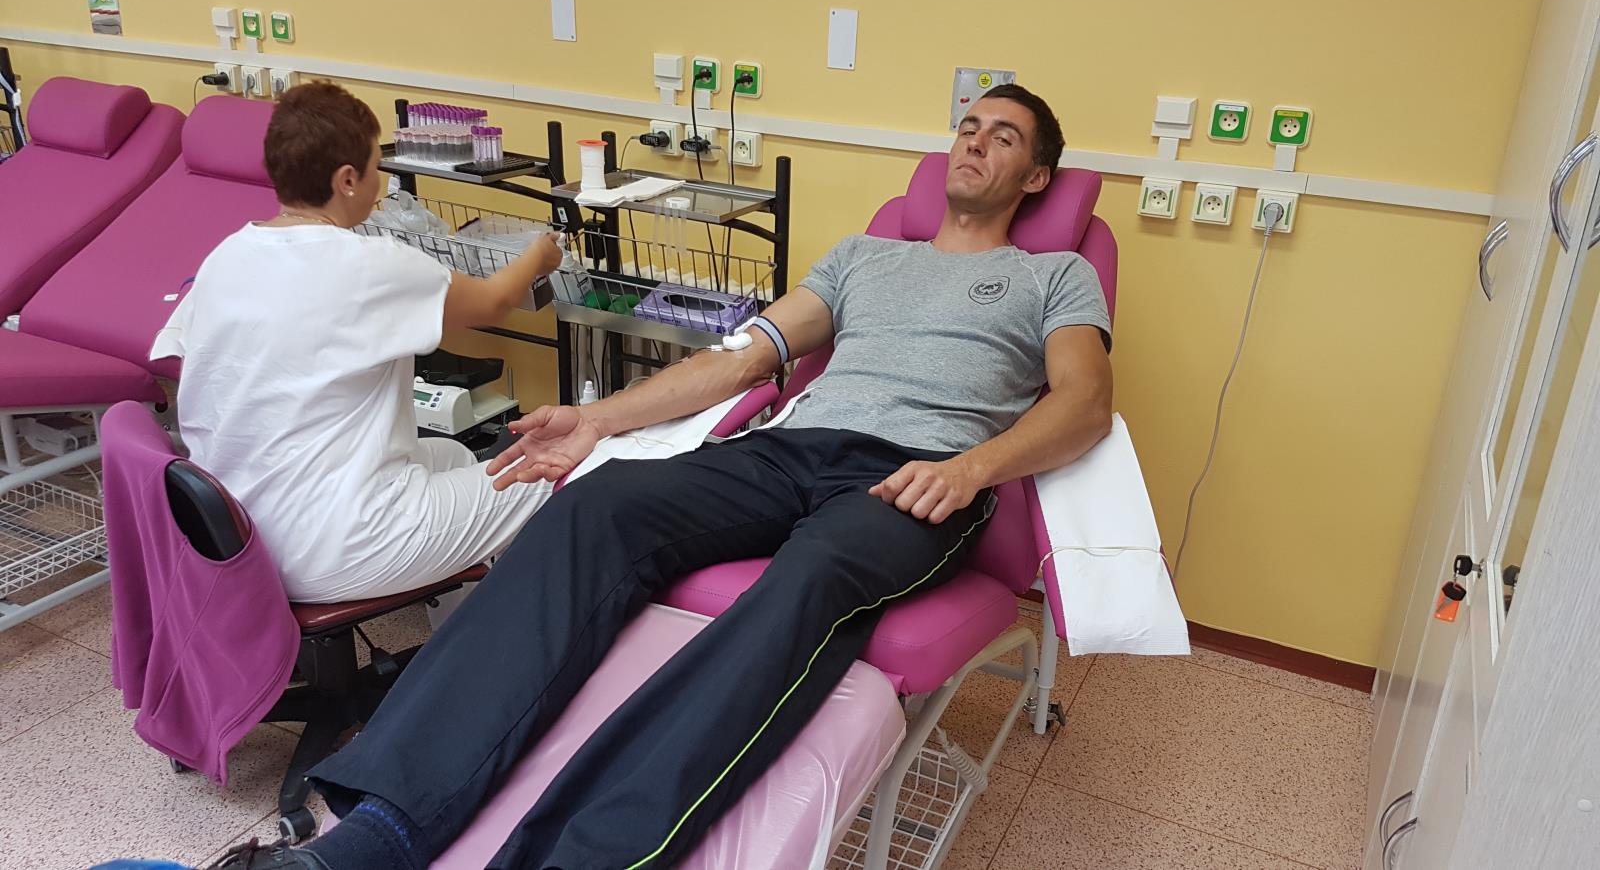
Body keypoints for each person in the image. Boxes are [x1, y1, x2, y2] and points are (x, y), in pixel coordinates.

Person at [179, 82, 1112, 870]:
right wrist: (596, 420)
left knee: (809, 581)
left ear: (1036, 177)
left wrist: (973, 468)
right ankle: (374, 835)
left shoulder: (1054, 277)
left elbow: (1084, 403)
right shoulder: (865, 258)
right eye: (968, 127)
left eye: (1003, 137)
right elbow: (740, 361)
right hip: (790, 446)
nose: (974, 144)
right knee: (594, 506)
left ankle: (589, 855)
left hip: (913, 479)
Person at [149, 81, 564, 604]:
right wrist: (540, 254)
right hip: (337, 544)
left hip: (237, 531)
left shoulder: (227, 255)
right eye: (375, 168)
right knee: (556, 470)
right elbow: (494, 303)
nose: (379, 182)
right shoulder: (370, 263)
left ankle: (458, 634)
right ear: (347, 180)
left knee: (451, 455)